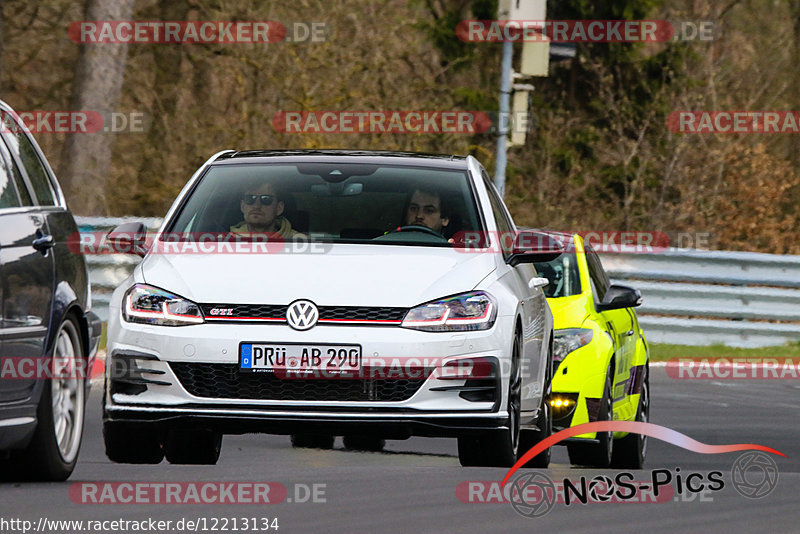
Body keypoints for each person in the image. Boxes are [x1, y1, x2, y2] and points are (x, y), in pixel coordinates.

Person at [230, 182, 305, 239]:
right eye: (250, 199)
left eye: (266, 199)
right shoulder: (223, 241)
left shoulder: (300, 242)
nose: (256, 206)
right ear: (242, 206)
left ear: (279, 208)